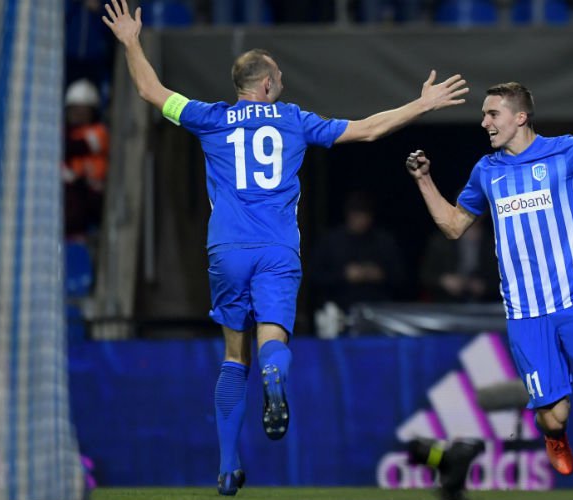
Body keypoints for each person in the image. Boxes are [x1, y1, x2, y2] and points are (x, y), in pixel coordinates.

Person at [101, 0, 468, 494]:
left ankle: (228, 467)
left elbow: (150, 89)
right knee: (272, 341)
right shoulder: (294, 120)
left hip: (227, 247)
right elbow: (368, 129)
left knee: (234, 355)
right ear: (267, 85)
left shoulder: (210, 118)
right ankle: (276, 379)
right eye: (281, 76)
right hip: (277, 249)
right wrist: (422, 104)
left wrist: (130, 40)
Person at [405, 82, 573, 478]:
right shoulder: (486, 171)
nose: (484, 123)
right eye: (484, 115)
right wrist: (424, 180)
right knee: (553, 416)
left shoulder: (566, 151)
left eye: (492, 114)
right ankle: (555, 436)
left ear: (520, 117)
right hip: (526, 312)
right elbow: (453, 226)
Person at [310, 191, 406, 313]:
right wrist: (344, 275)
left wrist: (380, 275)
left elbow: (400, 278)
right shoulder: (331, 241)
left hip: (378, 311)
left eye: (365, 215)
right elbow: (315, 276)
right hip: (338, 310)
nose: (361, 220)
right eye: (357, 215)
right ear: (348, 215)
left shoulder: (384, 241)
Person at [63, 78, 110, 240]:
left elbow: (76, 146)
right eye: (74, 110)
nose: (78, 115)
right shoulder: (66, 133)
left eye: (83, 110)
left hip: (93, 196)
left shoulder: (99, 132)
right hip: (74, 193)